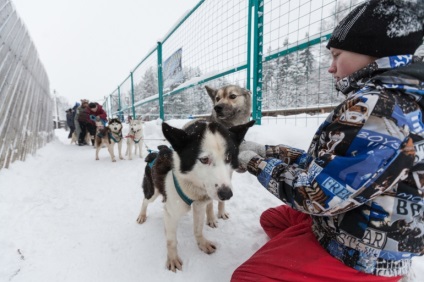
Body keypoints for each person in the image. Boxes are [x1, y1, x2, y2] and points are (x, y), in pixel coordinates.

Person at [233, 1, 424, 281]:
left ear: (374, 53)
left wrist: (254, 163)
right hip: (359, 213)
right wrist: (268, 151)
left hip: (367, 253)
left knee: (247, 276)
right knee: (273, 219)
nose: (331, 68)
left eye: (337, 55)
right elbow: (327, 166)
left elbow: (315, 194)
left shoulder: (380, 111)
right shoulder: (387, 99)